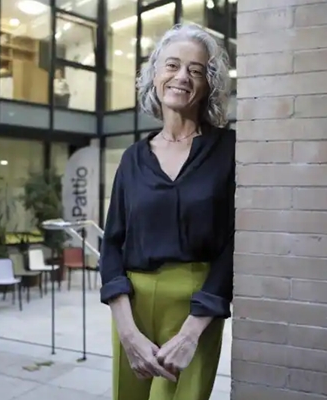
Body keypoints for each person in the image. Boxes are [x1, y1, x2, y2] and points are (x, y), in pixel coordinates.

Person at [100, 23, 235, 400]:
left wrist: (192, 332)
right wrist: (127, 331)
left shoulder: (229, 150)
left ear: (208, 85)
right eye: (172, 65)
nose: (182, 77)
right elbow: (112, 244)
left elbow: (234, 243)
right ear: (155, 75)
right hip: (133, 307)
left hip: (197, 307)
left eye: (196, 70)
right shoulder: (132, 158)